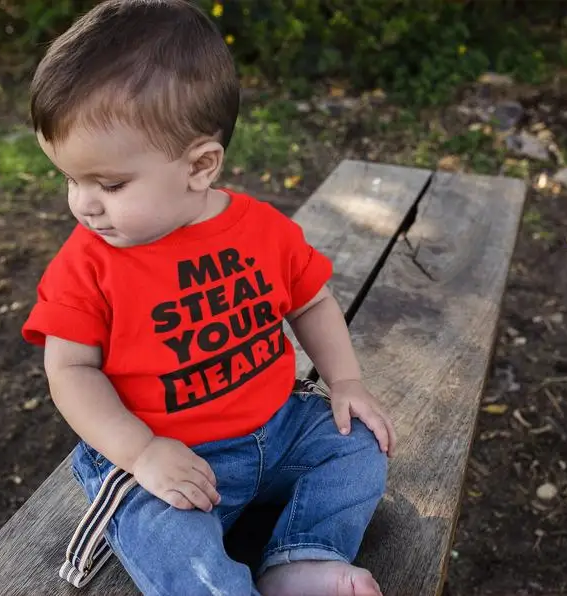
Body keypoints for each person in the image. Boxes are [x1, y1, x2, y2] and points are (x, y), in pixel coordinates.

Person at [21, 1, 396, 594]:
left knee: (360, 449)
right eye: (70, 178)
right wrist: (140, 451)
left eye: (110, 184)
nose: (83, 204)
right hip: (161, 454)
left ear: (200, 165)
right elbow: (68, 369)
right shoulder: (88, 262)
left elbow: (312, 302)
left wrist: (346, 383)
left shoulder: (261, 229)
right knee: (171, 541)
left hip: (279, 426)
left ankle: (301, 559)